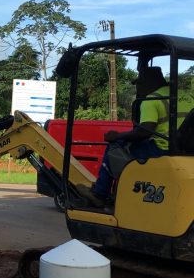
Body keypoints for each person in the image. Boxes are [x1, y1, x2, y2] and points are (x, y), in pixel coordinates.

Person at [79, 66, 194, 207]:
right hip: (185, 149)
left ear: (149, 82)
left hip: (162, 148)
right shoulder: (186, 95)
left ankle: (100, 193)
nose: (138, 87)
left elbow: (144, 132)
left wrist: (117, 136)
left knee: (114, 148)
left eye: (139, 83)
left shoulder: (152, 100)